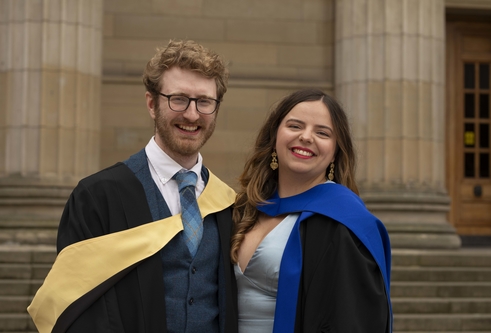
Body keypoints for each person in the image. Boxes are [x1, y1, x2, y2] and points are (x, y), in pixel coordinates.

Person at [28, 39, 238, 333]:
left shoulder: (229, 205)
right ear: (152, 104)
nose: (192, 114)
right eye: (178, 99)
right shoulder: (98, 197)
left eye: (204, 101)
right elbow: (78, 305)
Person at [231, 88, 392, 333]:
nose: (306, 137)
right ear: (275, 136)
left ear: (335, 151)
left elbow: (352, 321)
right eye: (295, 126)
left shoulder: (344, 223)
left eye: (322, 132)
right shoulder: (246, 208)